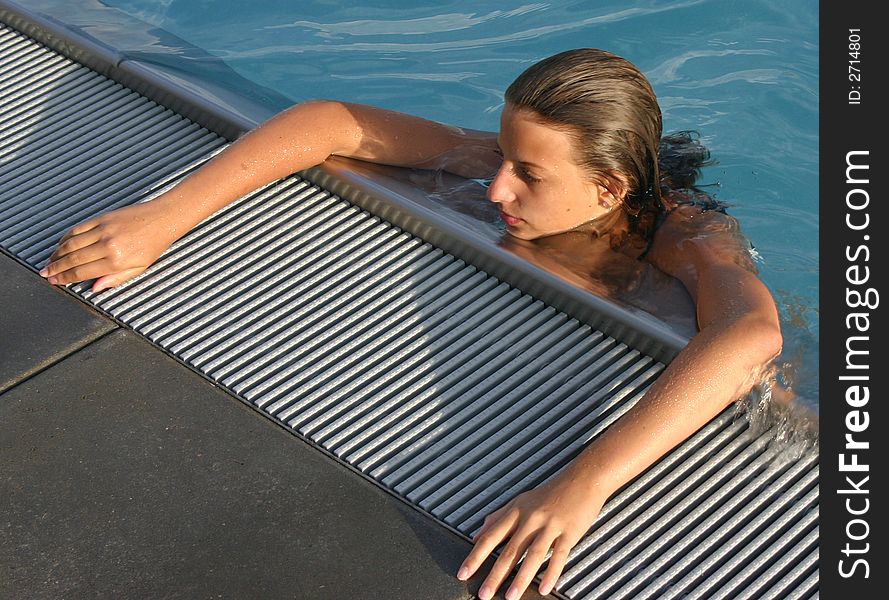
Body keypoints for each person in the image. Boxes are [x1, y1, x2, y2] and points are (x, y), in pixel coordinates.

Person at [40, 49, 782, 599]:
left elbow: (749, 335)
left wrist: (583, 484)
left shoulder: (681, 237)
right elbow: (328, 123)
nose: (495, 184)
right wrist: (163, 217)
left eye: (528, 173)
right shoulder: (500, 160)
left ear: (609, 187)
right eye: (504, 154)